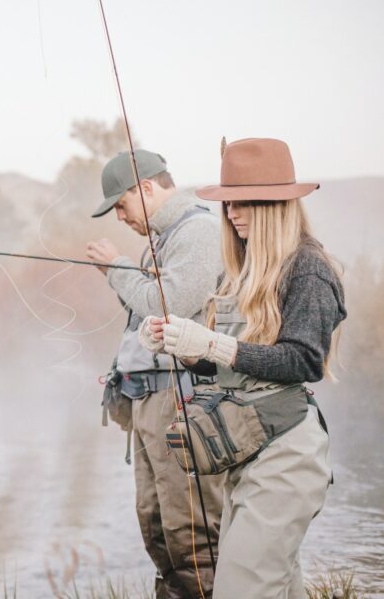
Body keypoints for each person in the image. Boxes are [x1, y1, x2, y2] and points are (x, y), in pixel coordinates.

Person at [142, 137, 346, 598]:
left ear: (276, 204)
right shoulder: (246, 268)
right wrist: (184, 347)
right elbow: (233, 371)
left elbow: (302, 361)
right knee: (276, 586)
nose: (231, 212)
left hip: (288, 457)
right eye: (228, 202)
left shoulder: (308, 269)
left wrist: (213, 342)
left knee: (241, 589)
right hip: (249, 452)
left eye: (244, 202)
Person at [85, 149, 224, 598]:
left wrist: (117, 269)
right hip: (150, 401)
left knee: (191, 535)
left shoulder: (199, 232)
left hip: (180, 400)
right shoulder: (159, 240)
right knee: (157, 526)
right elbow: (144, 319)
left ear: (146, 188)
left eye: (121, 205)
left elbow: (169, 308)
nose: (120, 217)